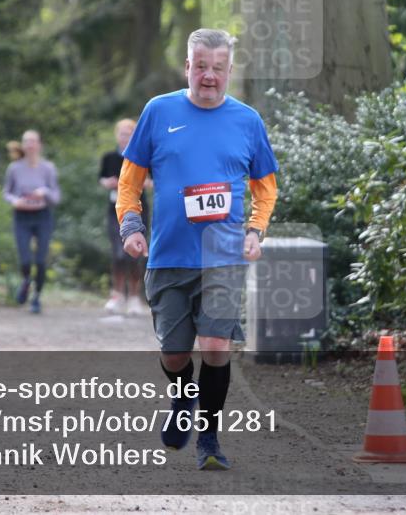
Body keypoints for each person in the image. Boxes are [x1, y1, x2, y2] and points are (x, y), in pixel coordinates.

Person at [116, 28, 278, 470]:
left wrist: (254, 231)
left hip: (223, 257)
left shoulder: (247, 120)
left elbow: (266, 190)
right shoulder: (158, 111)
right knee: (173, 353)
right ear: (188, 66)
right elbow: (129, 183)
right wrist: (131, 225)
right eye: (201, 67)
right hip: (168, 255)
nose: (209, 76)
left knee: (215, 345)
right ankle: (183, 395)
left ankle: (209, 437)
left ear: (229, 71)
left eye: (218, 69)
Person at [2, 130, 61, 314]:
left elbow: (56, 196)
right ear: (22, 145)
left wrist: (44, 192)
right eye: (26, 141)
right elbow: (6, 192)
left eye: (33, 141)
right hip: (22, 216)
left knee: (41, 260)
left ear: (39, 145)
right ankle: (27, 280)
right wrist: (15, 201)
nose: (30, 145)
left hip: (42, 215)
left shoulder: (48, 168)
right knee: (25, 258)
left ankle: (36, 298)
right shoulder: (14, 168)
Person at [99, 119, 150, 316]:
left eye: (129, 133)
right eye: (122, 133)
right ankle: (117, 294)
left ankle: (135, 297)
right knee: (118, 253)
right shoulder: (109, 157)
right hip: (114, 210)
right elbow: (102, 179)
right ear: (116, 135)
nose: (125, 136)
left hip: (139, 209)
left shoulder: (143, 156)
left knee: (135, 254)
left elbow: (152, 180)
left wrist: (141, 183)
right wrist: (109, 183)